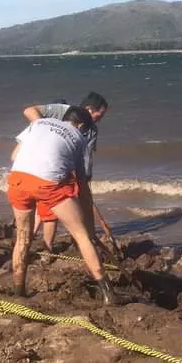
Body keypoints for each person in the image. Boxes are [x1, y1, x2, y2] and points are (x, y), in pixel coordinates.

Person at [7, 105, 113, 302]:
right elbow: (81, 185)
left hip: (17, 179)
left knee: (23, 238)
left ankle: (18, 292)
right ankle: (109, 293)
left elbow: (14, 156)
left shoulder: (37, 124)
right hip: (48, 184)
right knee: (82, 237)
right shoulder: (79, 137)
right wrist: (89, 229)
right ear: (80, 125)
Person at [22, 93, 109, 252]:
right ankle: (42, 248)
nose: (100, 119)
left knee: (54, 209)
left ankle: (82, 239)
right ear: (89, 110)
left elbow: (86, 159)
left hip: (64, 170)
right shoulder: (62, 110)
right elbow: (29, 111)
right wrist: (43, 128)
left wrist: (84, 182)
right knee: (47, 212)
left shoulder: (92, 131)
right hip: (41, 166)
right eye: (100, 115)